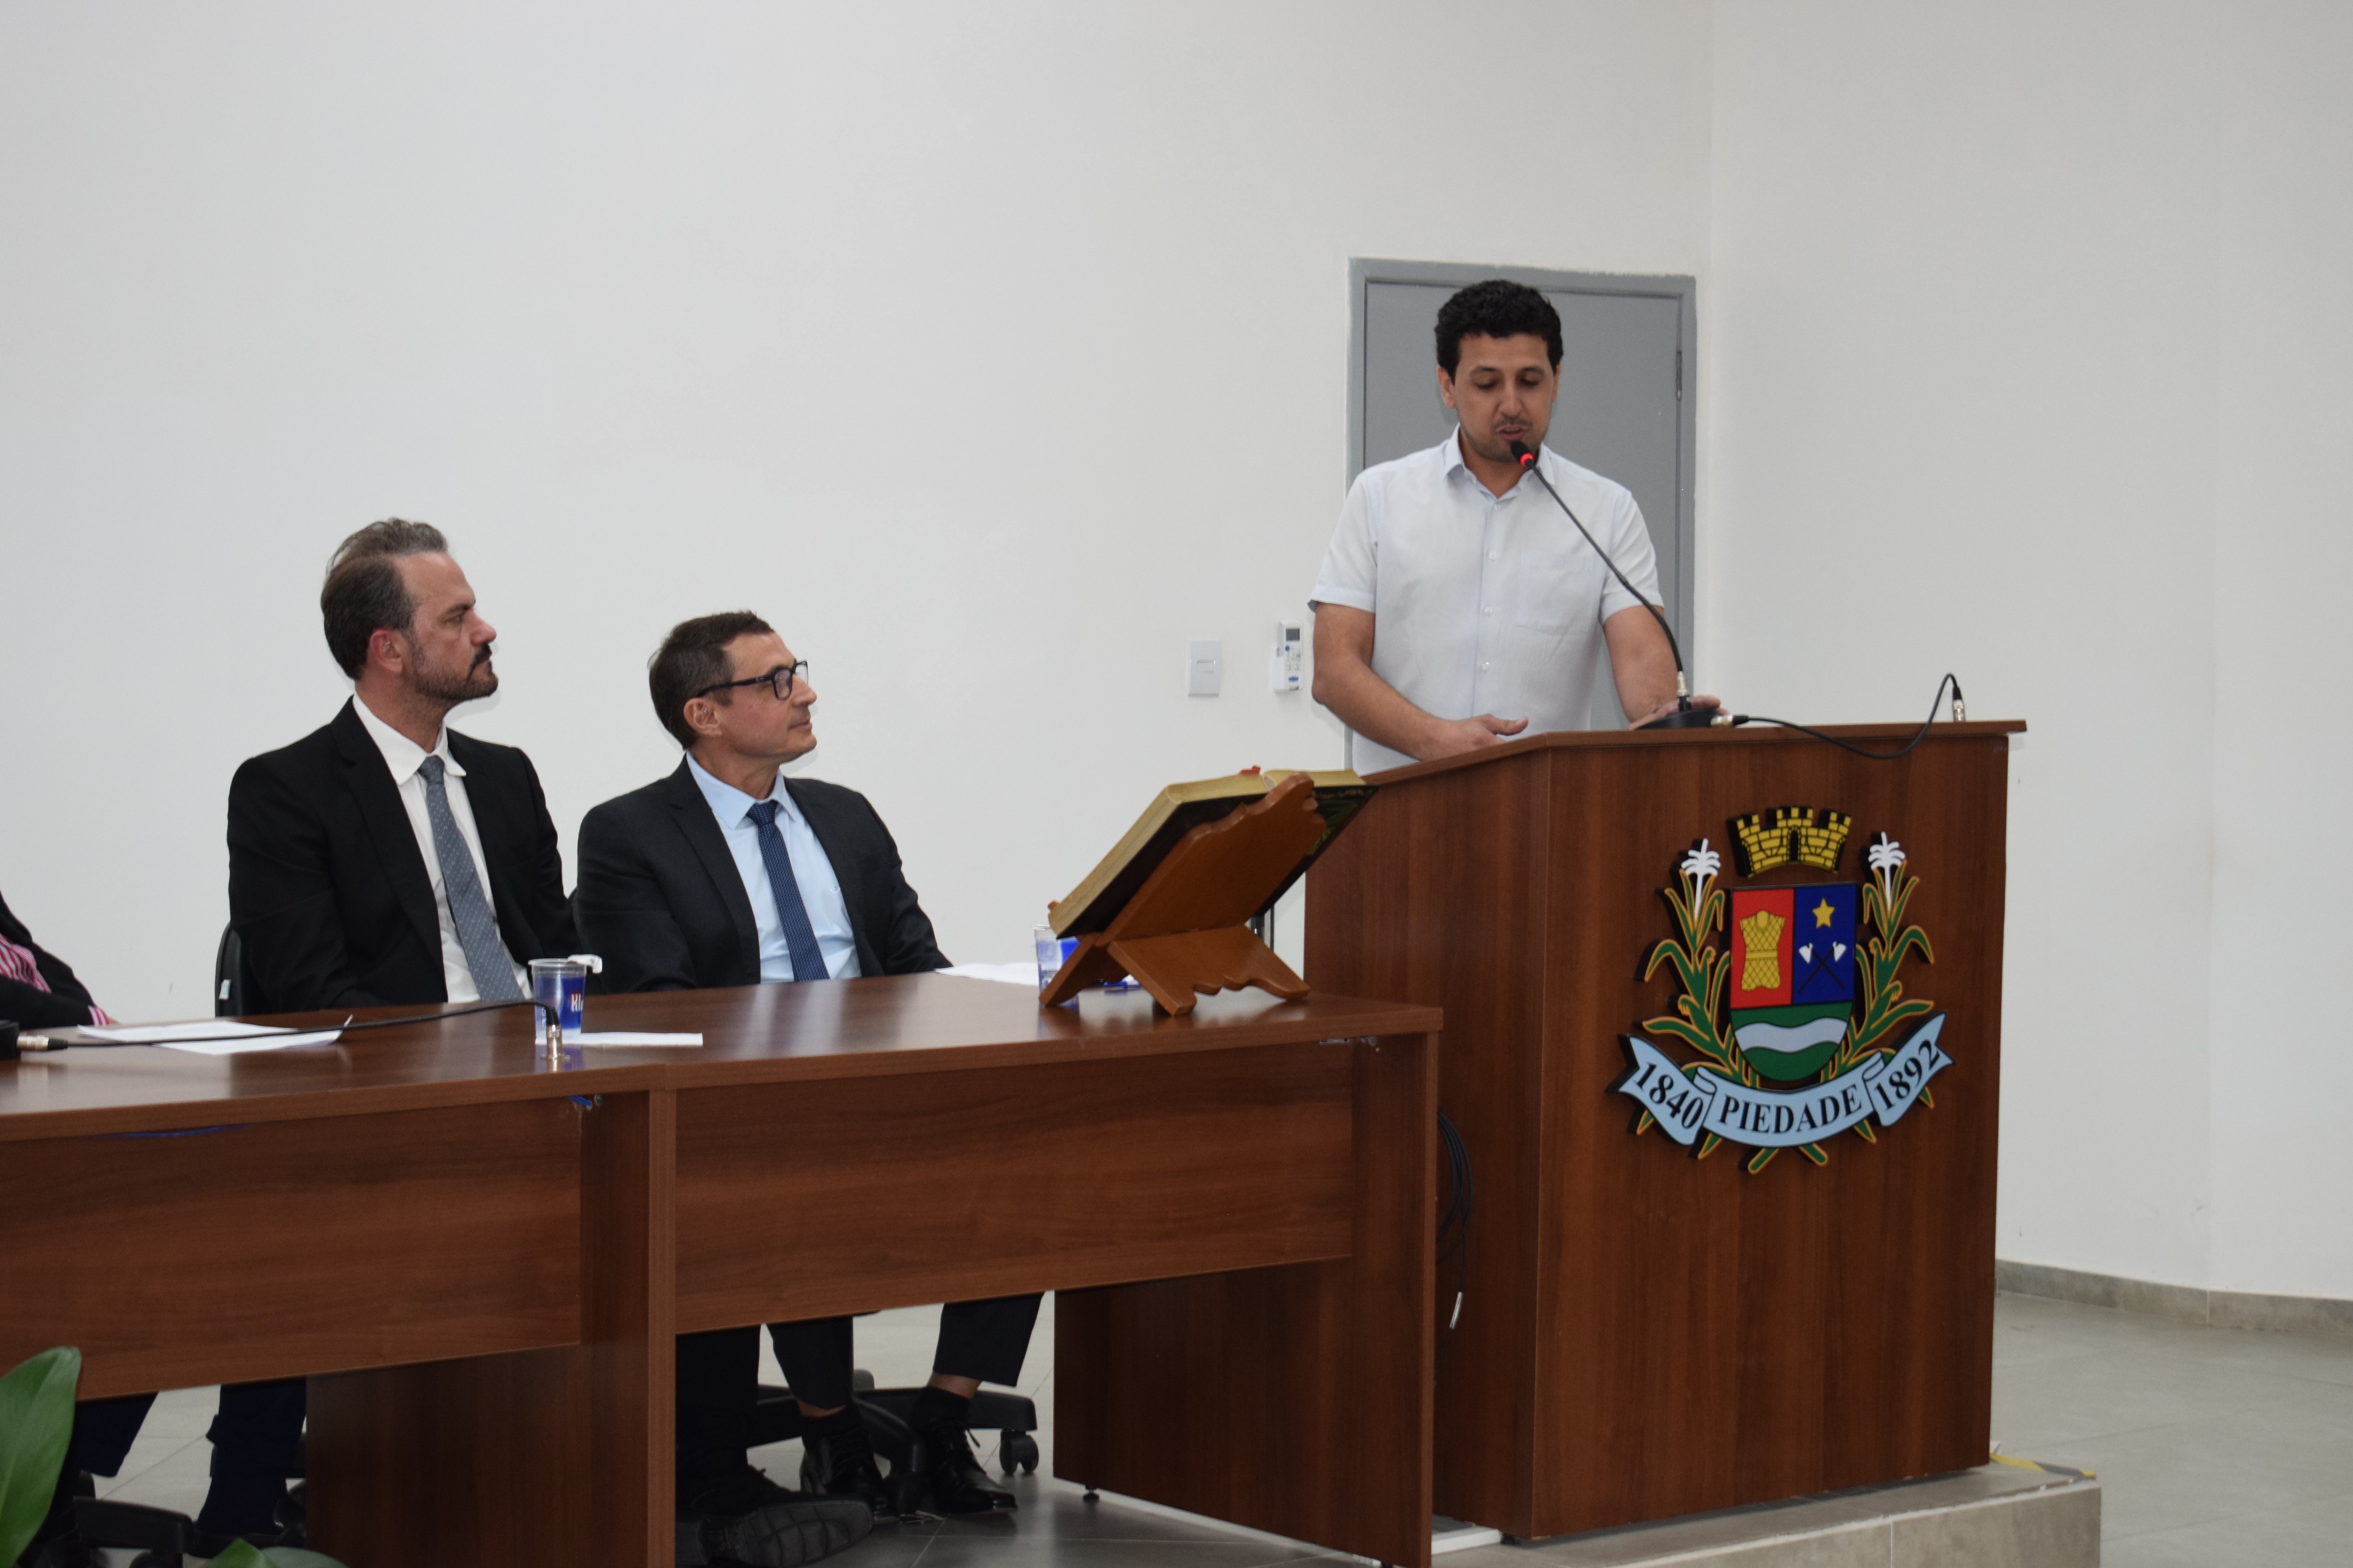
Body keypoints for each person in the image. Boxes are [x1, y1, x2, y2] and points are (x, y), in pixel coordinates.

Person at [227, 526, 865, 1567]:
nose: (486, 629)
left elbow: (558, 952)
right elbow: (310, 996)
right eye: (457, 617)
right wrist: (473, 1066)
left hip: (544, 1076)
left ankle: (699, 1479)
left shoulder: (504, 776)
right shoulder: (286, 787)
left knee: (689, 1165)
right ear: (390, 648)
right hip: (404, 1097)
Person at [575, 611, 1036, 1521]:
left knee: (1026, 1158)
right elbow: (662, 1004)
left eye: (798, 672)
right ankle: (832, 1434)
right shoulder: (629, 833)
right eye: (777, 680)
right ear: (705, 712)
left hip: (882, 1084)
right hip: (746, 1107)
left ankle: (943, 1418)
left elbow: (916, 962)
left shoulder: (844, 815)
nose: (806, 693)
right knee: (789, 1169)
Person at [1309, 278, 1718, 773]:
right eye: (1487, 384)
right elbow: (1334, 671)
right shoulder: (1379, 497)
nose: (1511, 404)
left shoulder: (1606, 511)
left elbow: (1641, 666)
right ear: (1447, 385)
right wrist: (1436, 741)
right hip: (1402, 804)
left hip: (1545, 806)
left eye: (1530, 381)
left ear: (1556, 380)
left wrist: (1665, 715)